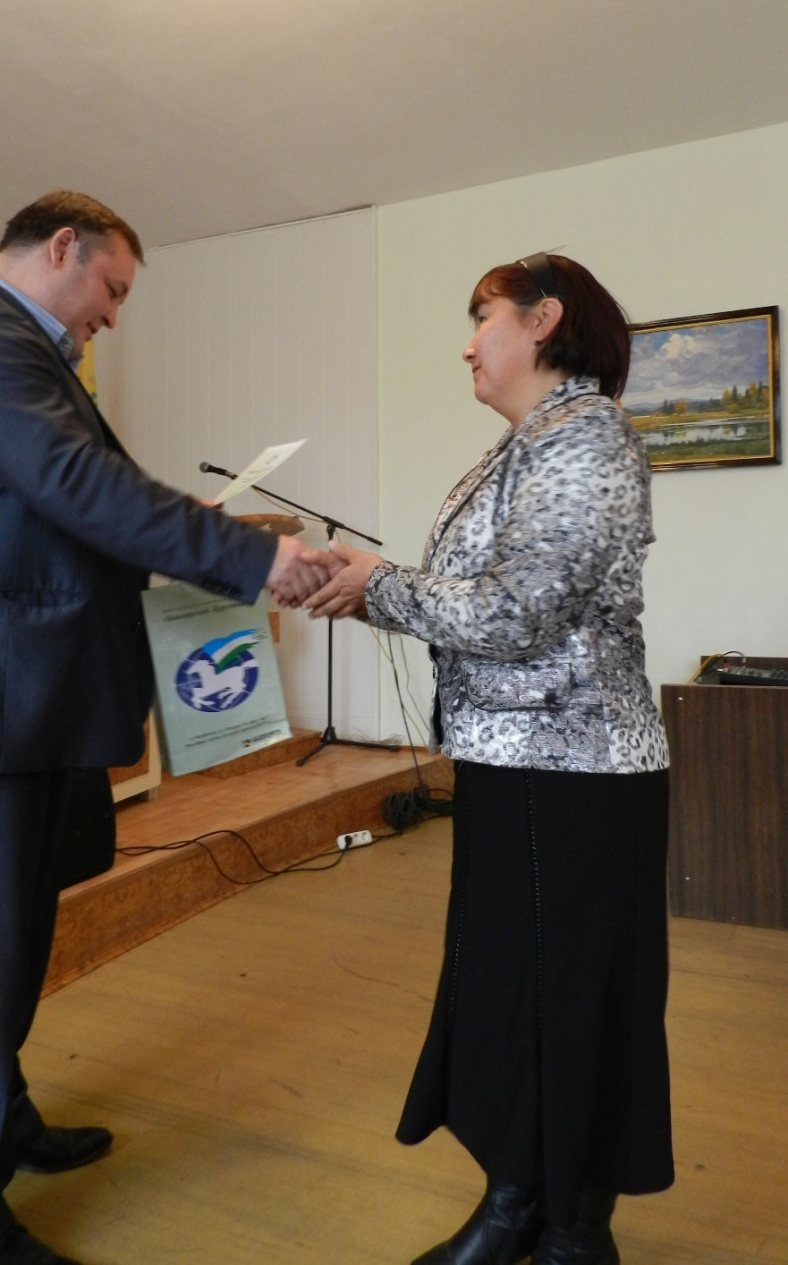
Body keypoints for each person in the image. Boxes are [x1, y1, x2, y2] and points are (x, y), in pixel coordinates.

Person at [0, 190, 324, 1265]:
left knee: (8, 948)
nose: (110, 315)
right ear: (62, 246)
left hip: (19, 698)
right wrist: (251, 557)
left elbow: (63, 502)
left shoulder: (15, 345)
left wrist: (199, 536)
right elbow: (73, 482)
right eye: (111, 288)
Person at [304, 253, 673, 1265]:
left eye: (482, 318)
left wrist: (382, 585)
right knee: (513, 993)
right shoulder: (529, 443)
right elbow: (486, 597)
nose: (468, 344)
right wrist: (370, 583)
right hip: (517, 762)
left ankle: (572, 1232)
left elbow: (519, 613)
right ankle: (515, 1202)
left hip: (579, 771)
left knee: (573, 1003)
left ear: (543, 320)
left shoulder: (586, 438)